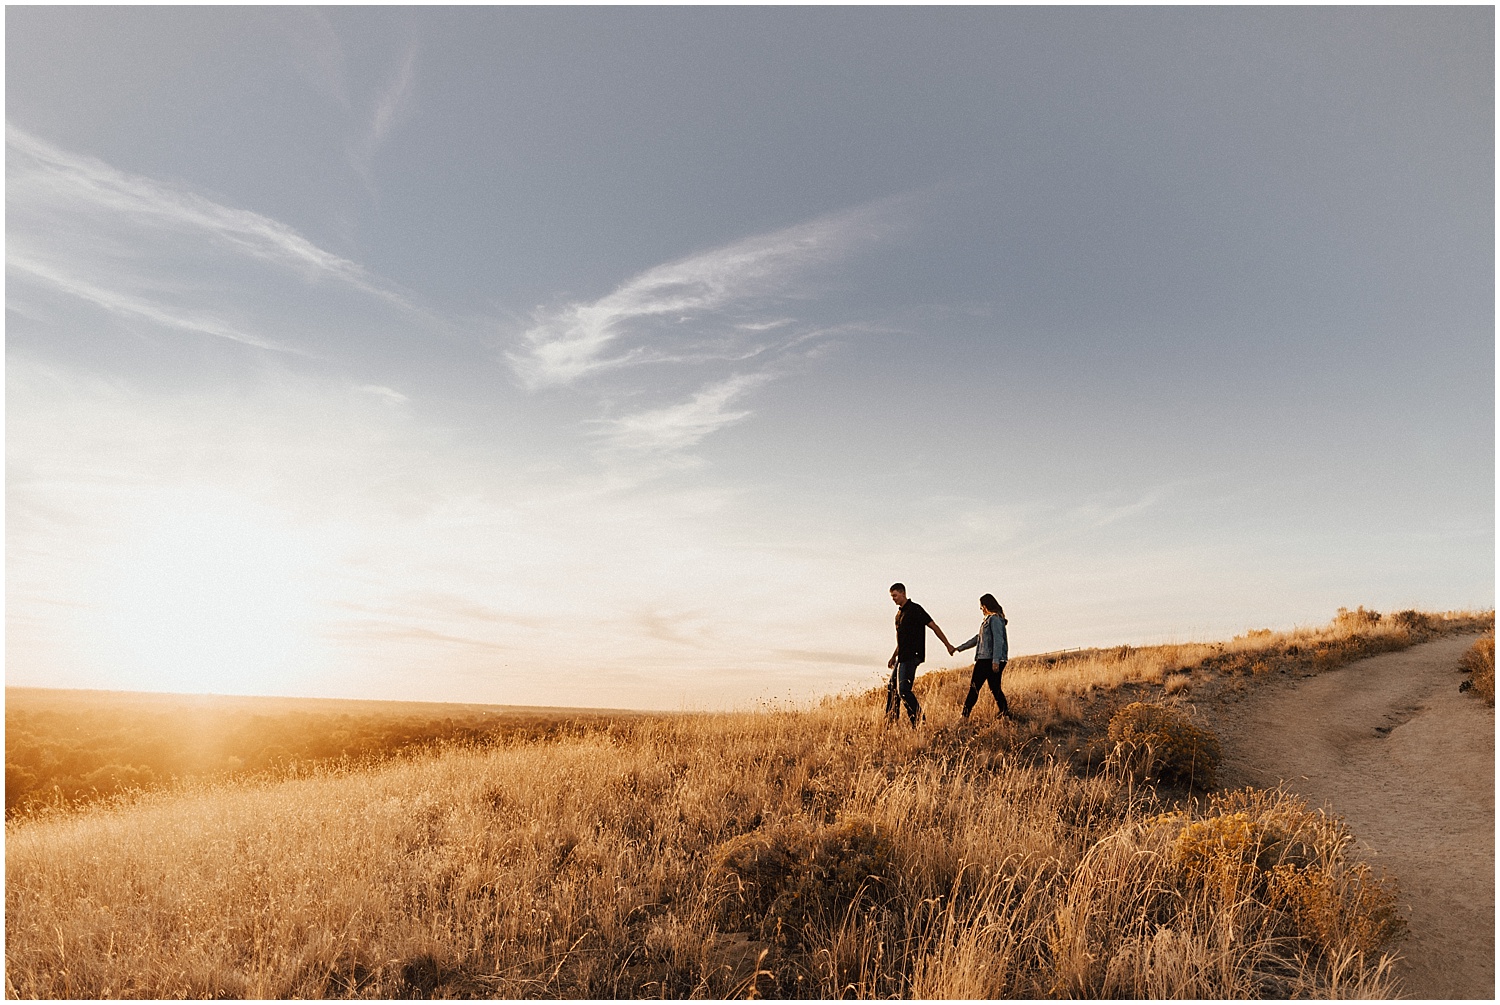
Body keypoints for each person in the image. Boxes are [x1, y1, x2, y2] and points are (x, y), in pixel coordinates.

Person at [886, 583, 956, 727]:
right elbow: (901, 639)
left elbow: (933, 626)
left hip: (912, 655)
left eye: (895, 595)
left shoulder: (915, 609)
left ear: (903, 593)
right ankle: (890, 723)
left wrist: (947, 645)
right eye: (891, 596)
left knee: (904, 690)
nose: (893, 599)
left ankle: (919, 722)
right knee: (892, 687)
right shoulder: (899, 614)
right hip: (902, 656)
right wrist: (894, 656)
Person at [955, 593, 1010, 719]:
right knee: (995, 689)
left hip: (987, 660)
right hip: (987, 659)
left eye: (981, 606)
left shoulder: (994, 619)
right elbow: (977, 639)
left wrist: (995, 661)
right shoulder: (988, 620)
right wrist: (960, 648)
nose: (981, 609)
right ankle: (1005, 714)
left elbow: (998, 640)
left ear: (986, 606)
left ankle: (964, 717)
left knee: (974, 688)